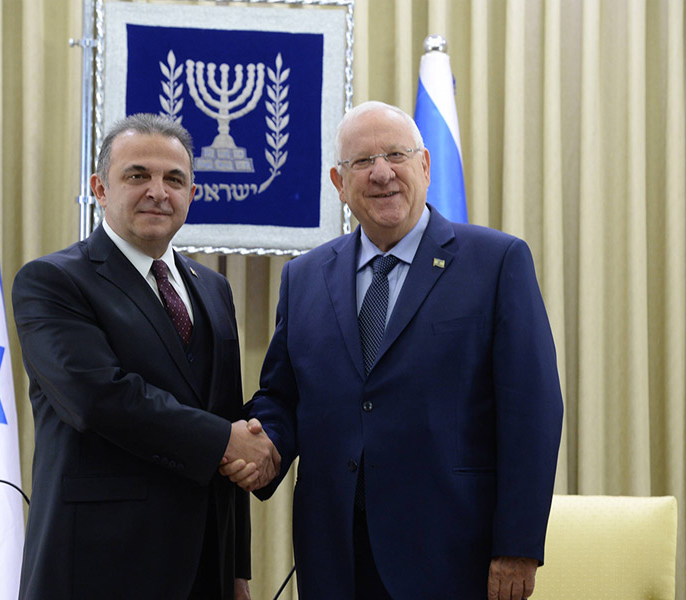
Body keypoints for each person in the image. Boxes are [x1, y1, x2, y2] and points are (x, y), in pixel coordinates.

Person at [222, 101, 564, 600]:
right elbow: (283, 395)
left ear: (424, 166)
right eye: (362, 162)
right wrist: (265, 446)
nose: (382, 173)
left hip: (453, 553)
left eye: (396, 156)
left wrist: (518, 544)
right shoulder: (304, 277)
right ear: (339, 183)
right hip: (334, 554)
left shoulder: (496, 262)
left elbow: (532, 410)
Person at [12, 113, 280, 600]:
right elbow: (98, 398)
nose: (158, 191)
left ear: (192, 196)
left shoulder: (214, 289)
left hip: (205, 571)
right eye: (137, 175)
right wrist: (225, 440)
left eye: (174, 179)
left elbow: (224, 414)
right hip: (98, 567)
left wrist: (235, 568)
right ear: (100, 188)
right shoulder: (53, 281)